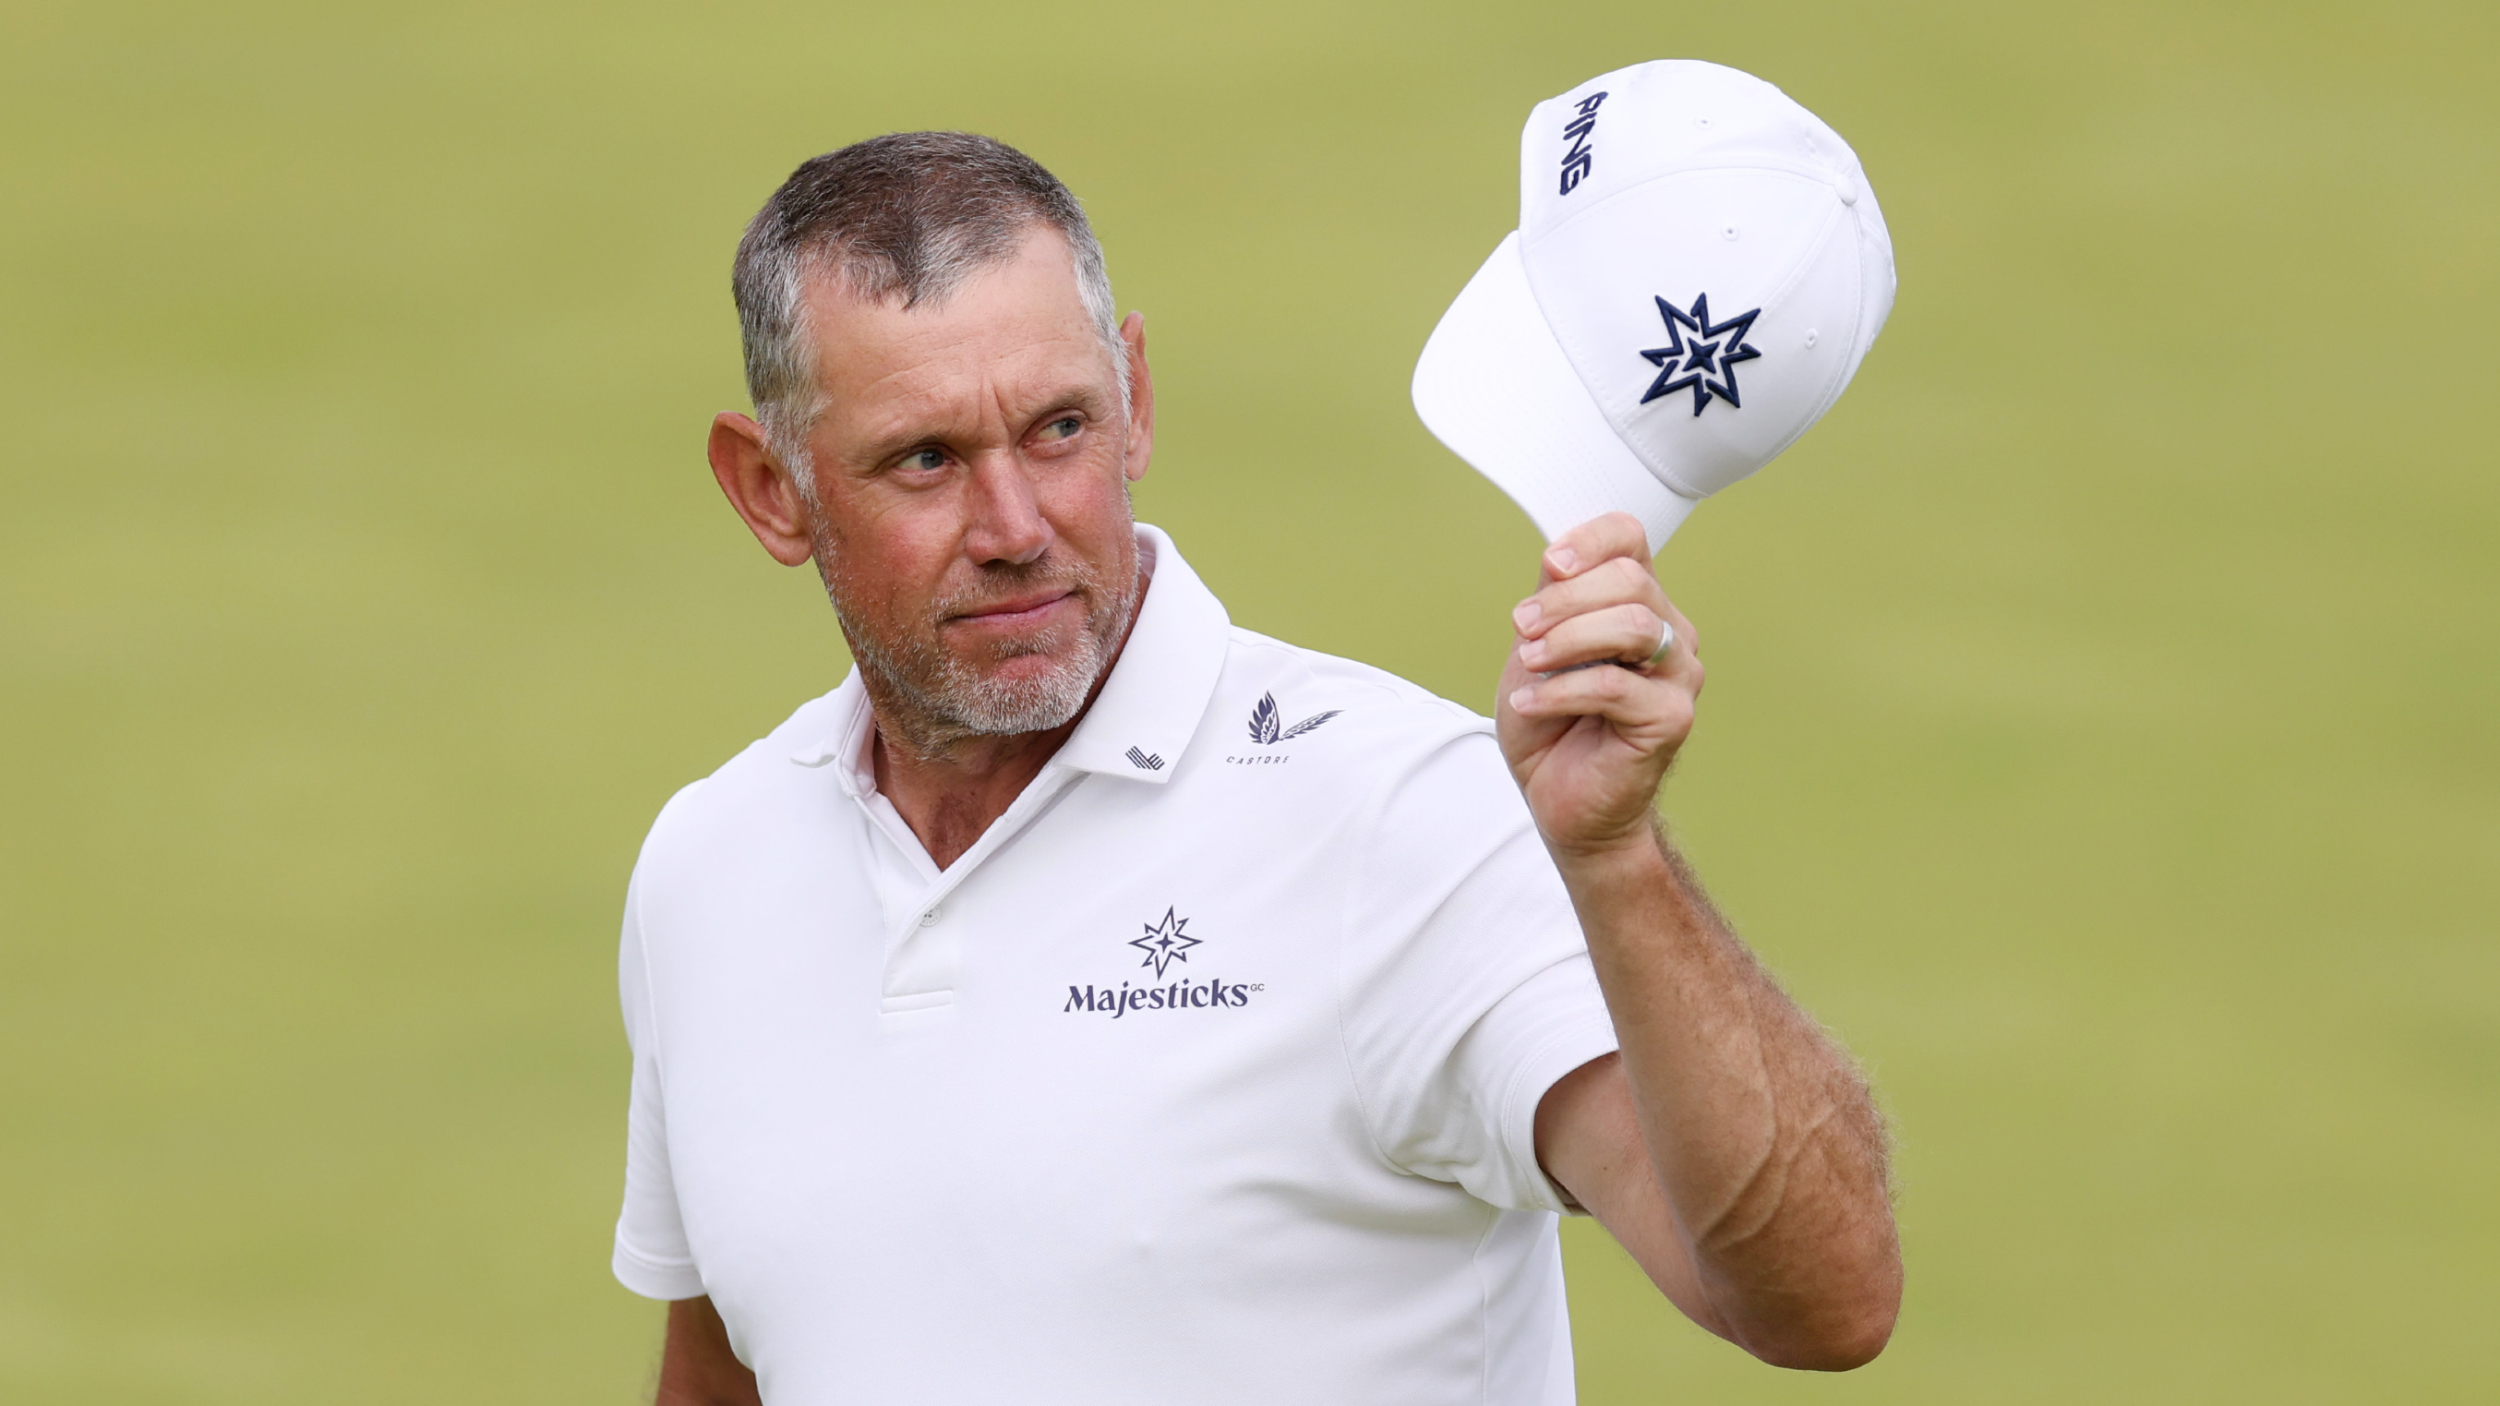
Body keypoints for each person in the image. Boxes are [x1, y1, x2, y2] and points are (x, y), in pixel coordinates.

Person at [612, 131, 1899, 1406]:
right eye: (927, 460)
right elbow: (734, 1360)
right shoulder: (710, 865)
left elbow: (1819, 1300)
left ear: (1137, 401)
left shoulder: (1405, 812)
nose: (1015, 528)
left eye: (1060, 428)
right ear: (771, 488)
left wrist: (1614, 864)